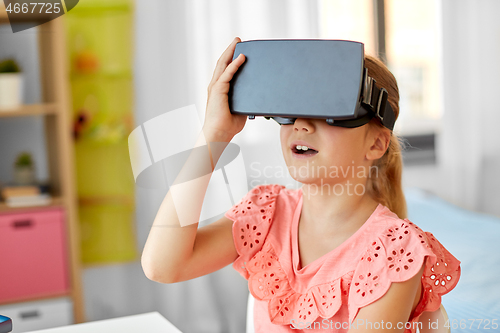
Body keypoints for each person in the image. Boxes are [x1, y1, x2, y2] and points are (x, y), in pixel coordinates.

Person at [141, 37, 461, 333]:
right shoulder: (267, 215)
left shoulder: (393, 251)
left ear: (376, 143)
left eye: (329, 112)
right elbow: (162, 266)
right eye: (291, 111)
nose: (302, 125)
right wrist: (213, 136)